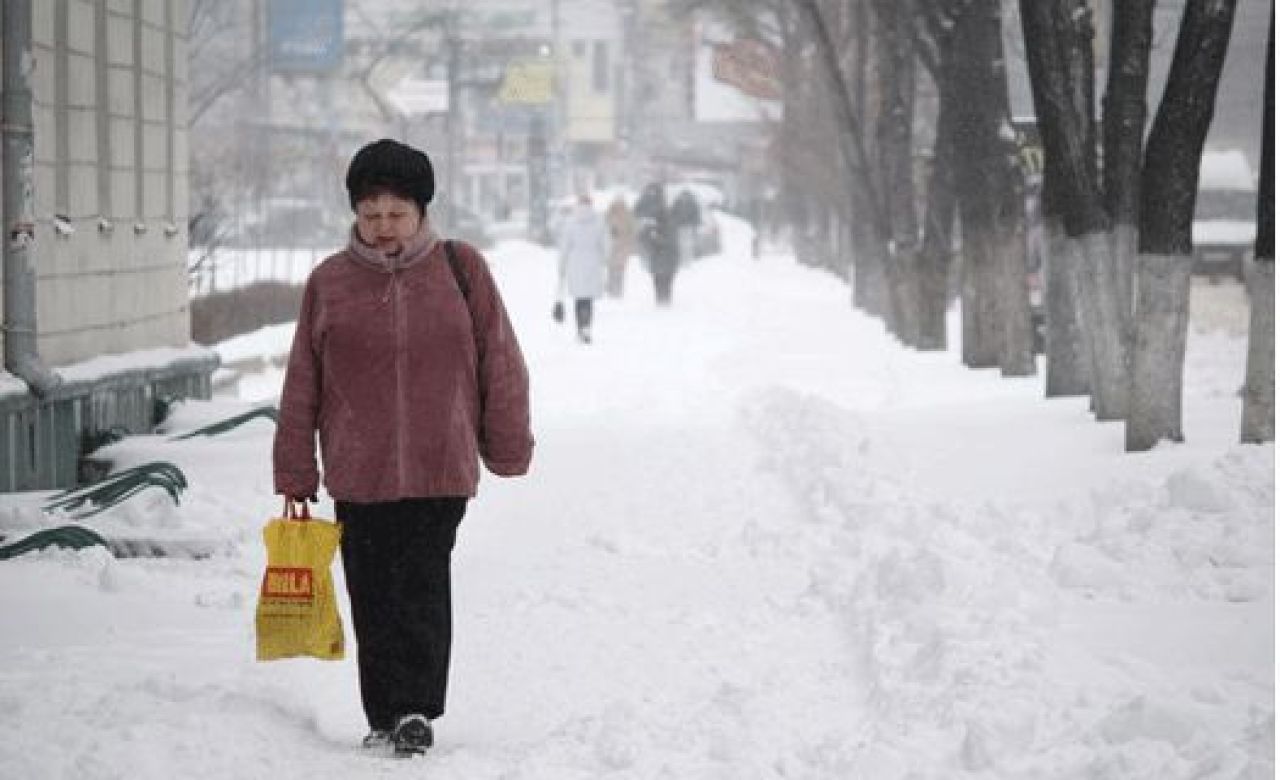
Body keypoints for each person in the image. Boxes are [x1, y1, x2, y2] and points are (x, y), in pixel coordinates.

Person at [272, 138, 534, 757]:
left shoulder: (460, 269)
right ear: (354, 214)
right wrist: (295, 467)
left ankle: (415, 708)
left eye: (397, 213)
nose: (384, 226)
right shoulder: (330, 282)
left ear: (421, 212)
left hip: (438, 466)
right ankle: (383, 712)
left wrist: (507, 444)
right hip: (358, 469)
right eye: (371, 214)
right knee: (371, 592)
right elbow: (302, 379)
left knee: (421, 584)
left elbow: (500, 359)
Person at [556, 194, 609, 343]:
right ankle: (587, 326)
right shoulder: (599, 221)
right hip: (593, 261)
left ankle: (580, 328)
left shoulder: (571, 222)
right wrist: (604, 259)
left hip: (575, 263)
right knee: (588, 299)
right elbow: (606, 244)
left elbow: (564, 246)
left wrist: (561, 265)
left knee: (579, 299)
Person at [633, 181, 679, 306]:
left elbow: (645, 236)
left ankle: (663, 303)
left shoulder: (659, 216)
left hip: (662, 254)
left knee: (661, 280)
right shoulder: (665, 215)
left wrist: (653, 238)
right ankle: (663, 303)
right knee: (663, 280)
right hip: (663, 255)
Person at [604, 195, 635, 297]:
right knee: (616, 269)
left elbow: (631, 231)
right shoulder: (615, 214)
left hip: (618, 246)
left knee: (615, 269)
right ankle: (614, 290)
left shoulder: (611, 213)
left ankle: (614, 290)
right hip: (617, 246)